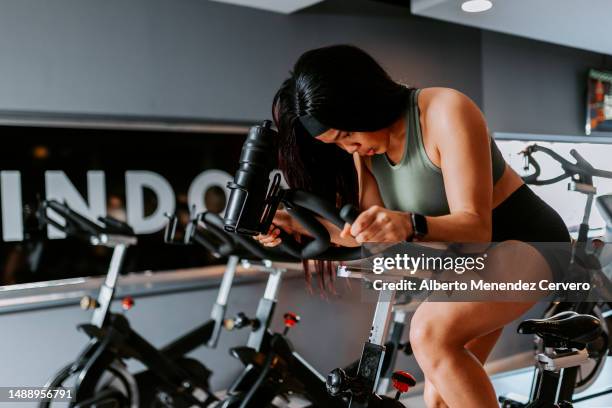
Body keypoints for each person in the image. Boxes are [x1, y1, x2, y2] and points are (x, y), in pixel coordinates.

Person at [255, 44, 570, 407]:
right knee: (439, 400)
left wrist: (407, 224)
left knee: (430, 335)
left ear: (360, 102)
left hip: (528, 242)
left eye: (346, 136)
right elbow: (368, 239)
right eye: (338, 145)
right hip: (473, 262)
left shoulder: (445, 111)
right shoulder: (366, 155)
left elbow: (475, 226)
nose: (350, 149)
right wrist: (295, 226)